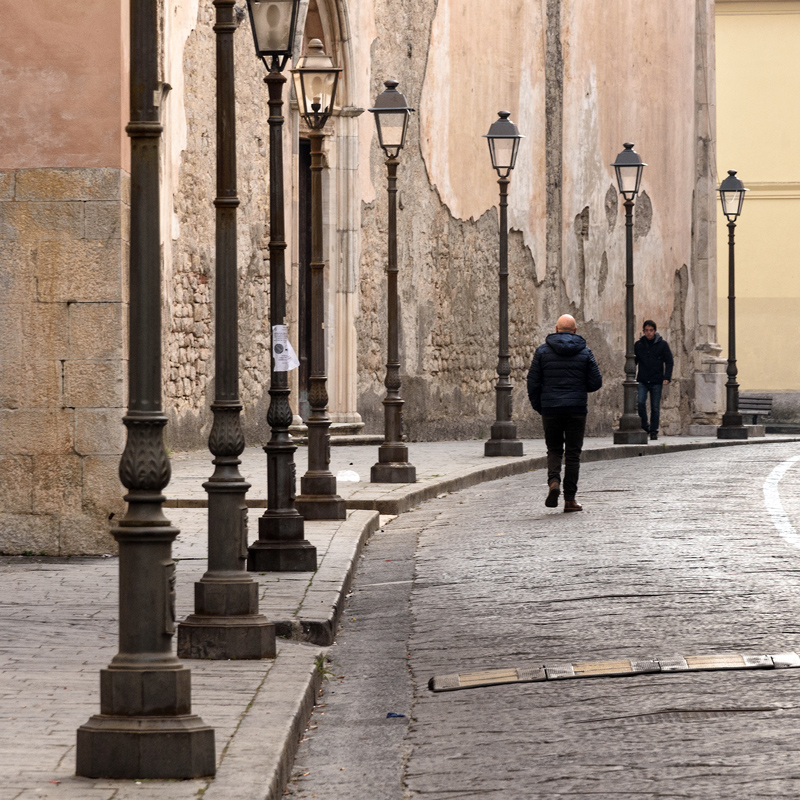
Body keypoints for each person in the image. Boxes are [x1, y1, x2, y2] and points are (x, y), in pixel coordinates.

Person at [526, 314, 603, 512]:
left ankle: (553, 482)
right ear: (575, 331)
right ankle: (570, 500)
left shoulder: (542, 352)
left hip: (551, 408)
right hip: (576, 409)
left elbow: (532, 382)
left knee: (553, 449)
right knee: (572, 454)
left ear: (556, 329)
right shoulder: (585, 352)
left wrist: (540, 406)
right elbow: (596, 382)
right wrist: (577, 388)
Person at [634, 320, 673, 441]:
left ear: (655, 331)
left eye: (651, 330)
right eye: (646, 330)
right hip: (642, 380)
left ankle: (654, 430)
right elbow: (633, 361)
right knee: (640, 403)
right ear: (643, 331)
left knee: (655, 407)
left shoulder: (662, 344)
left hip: (657, 380)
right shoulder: (639, 345)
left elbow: (669, 361)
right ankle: (645, 426)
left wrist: (666, 377)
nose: (649, 333)